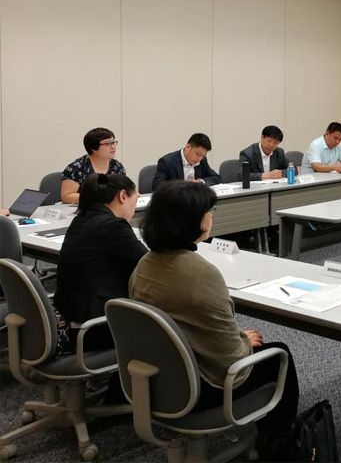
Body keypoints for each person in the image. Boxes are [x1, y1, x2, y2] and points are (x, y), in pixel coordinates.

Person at [130, 181, 299, 459]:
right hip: (201, 388)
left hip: (155, 381)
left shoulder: (144, 264)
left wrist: (239, 337)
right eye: (209, 211)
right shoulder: (202, 273)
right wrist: (243, 342)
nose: (211, 217)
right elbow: (229, 360)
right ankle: (278, 443)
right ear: (194, 221)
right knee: (280, 354)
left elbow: (181, 323)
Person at [55, 173, 147, 350]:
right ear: (122, 196)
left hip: (74, 321)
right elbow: (149, 265)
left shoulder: (81, 219)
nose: (134, 209)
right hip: (98, 328)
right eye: (135, 201)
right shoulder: (114, 226)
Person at [61, 128, 126, 204]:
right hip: (85, 208)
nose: (113, 146)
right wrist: (99, 198)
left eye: (113, 142)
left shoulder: (117, 166)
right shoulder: (76, 168)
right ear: (94, 148)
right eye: (108, 144)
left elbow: (124, 189)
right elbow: (67, 196)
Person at [152, 133, 222, 190]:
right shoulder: (167, 161)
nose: (199, 159)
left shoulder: (202, 160)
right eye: (198, 154)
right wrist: (185, 186)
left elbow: (216, 177)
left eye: (203, 155)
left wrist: (200, 182)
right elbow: (157, 185)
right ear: (188, 147)